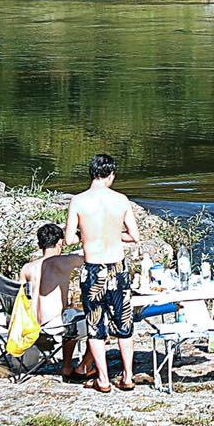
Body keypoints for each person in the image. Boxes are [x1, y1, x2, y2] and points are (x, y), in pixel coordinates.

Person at [64, 152, 142, 393]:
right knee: (124, 324)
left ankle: (104, 380)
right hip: (117, 268)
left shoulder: (78, 201)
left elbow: (67, 239)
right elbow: (135, 236)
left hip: (93, 270)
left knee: (95, 326)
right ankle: (128, 377)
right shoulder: (121, 199)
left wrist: (86, 235)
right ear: (110, 174)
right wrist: (114, 234)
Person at [17, 222, 88, 381]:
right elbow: (90, 255)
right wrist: (81, 236)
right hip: (54, 328)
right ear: (60, 242)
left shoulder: (27, 268)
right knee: (97, 322)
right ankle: (79, 367)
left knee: (70, 315)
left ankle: (67, 365)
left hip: (29, 326)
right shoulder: (63, 262)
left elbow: (21, 299)